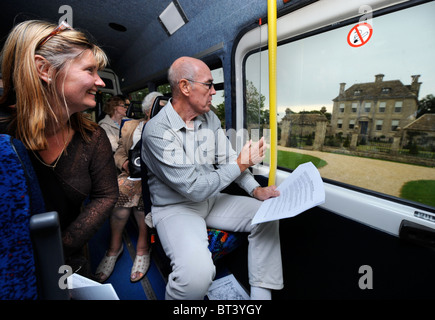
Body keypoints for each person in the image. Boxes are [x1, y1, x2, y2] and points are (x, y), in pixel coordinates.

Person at [141, 56, 283, 300]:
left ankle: (260, 296)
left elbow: (227, 159)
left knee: (267, 216)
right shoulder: (157, 132)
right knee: (197, 275)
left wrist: (254, 190)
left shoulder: (210, 119)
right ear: (185, 87)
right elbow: (194, 188)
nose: (214, 91)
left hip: (211, 199)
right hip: (176, 208)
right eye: (209, 84)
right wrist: (242, 162)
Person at [0, 20, 119, 275]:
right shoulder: (3, 135)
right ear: (44, 69)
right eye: (90, 70)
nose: (100, 83)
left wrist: (61, 248)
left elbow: (106, 195)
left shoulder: (93, 137)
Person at [95, 91, 162, 283]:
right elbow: (118, 154)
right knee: (121, 199)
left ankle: (142, 248)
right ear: (149, 110)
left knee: (142, 198)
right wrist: (125, 164)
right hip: (132, 175)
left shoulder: (170, 129)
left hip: (157, 180)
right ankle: (114, 248)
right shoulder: (131, 126)